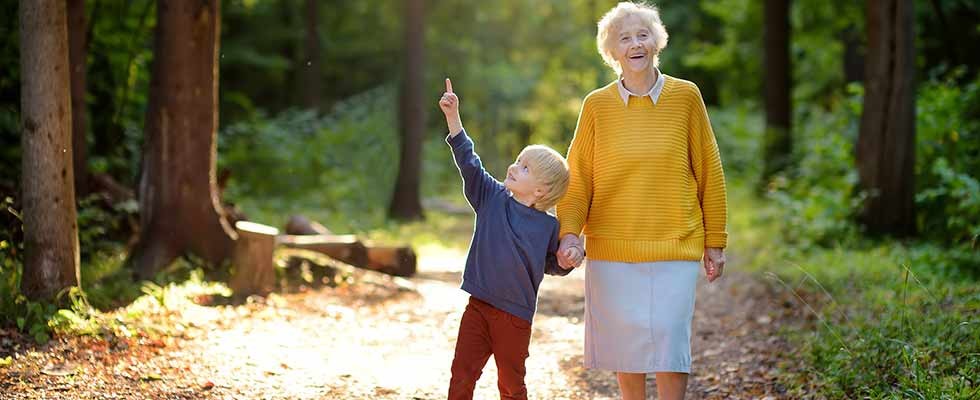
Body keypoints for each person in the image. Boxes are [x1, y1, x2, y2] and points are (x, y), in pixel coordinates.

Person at [555, 2, 729, 400]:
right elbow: (578, 177)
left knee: (670, 346)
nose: (635, 43)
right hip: (612, 251)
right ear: (612, 51)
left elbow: (709, 169)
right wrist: (569, 234)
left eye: (643, 34)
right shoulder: (596, 106)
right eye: (624, 38)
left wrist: (714, 241)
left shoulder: (686, 97)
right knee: (626, 349)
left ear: (657, 42)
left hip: (674, 244)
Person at [439, 78, 574, 400]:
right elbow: (469, 164)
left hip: (515, 316)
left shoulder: (547, 227)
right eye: (518, 160)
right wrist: (453, 118)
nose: (514, 167)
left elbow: (552, 264)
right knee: (462, 374)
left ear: (540, 191)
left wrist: (566, 261)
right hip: (478, 306)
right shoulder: (491, 197)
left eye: (525, 168)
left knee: (511, 384)